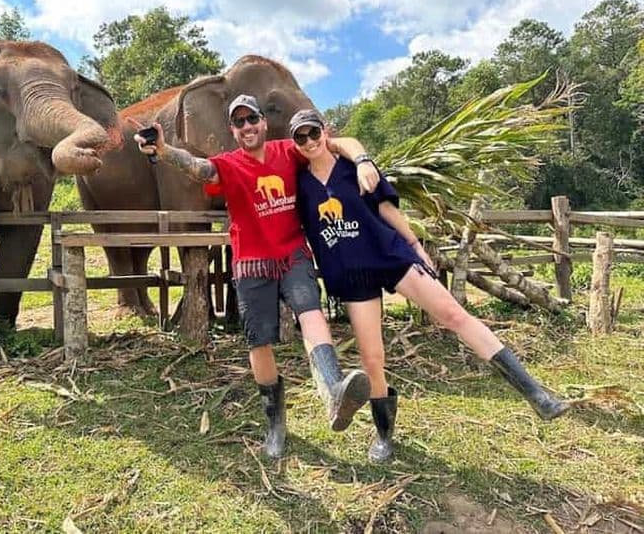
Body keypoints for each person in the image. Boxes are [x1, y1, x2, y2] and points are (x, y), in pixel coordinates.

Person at [289, 108, 570, 463]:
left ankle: (535, 393)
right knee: (372, 358)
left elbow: (386, 209)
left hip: (389, 256)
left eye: (314, 133)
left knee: (454, 314)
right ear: (295, 143)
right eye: (301, 137)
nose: (310, 142)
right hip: (351, 275)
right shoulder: (299, 184)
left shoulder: (354, 168)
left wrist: (415, 245)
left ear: (325, 131)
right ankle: (384, 435)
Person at [131, 95, 381, 458]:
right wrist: (164, 149)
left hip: (293, 253)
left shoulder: (287, 150)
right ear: (233, 130)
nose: (247, 126)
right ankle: (275, 423)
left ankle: (333, 389)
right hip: (252, 263)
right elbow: (200, 169)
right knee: (258, 343)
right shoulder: (229, 163)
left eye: (253, 120)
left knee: (311, 312)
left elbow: (329, 142)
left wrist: (360, 159)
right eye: (240, 122)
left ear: (264, 123)